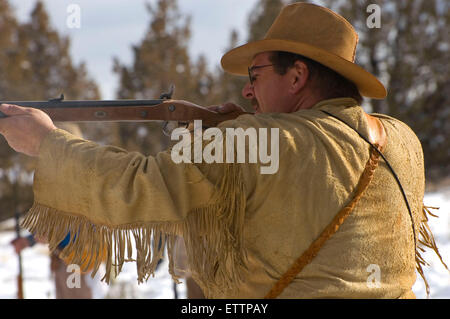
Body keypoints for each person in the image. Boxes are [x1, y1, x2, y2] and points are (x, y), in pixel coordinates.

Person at [0, 3, 446, 298]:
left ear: (297, 77)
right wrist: (234, 134)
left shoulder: (250, 146)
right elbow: (313, 166)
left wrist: (47, 143)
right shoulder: (402, 140)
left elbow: (137, 186)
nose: (248, 92)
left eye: (255, 75)